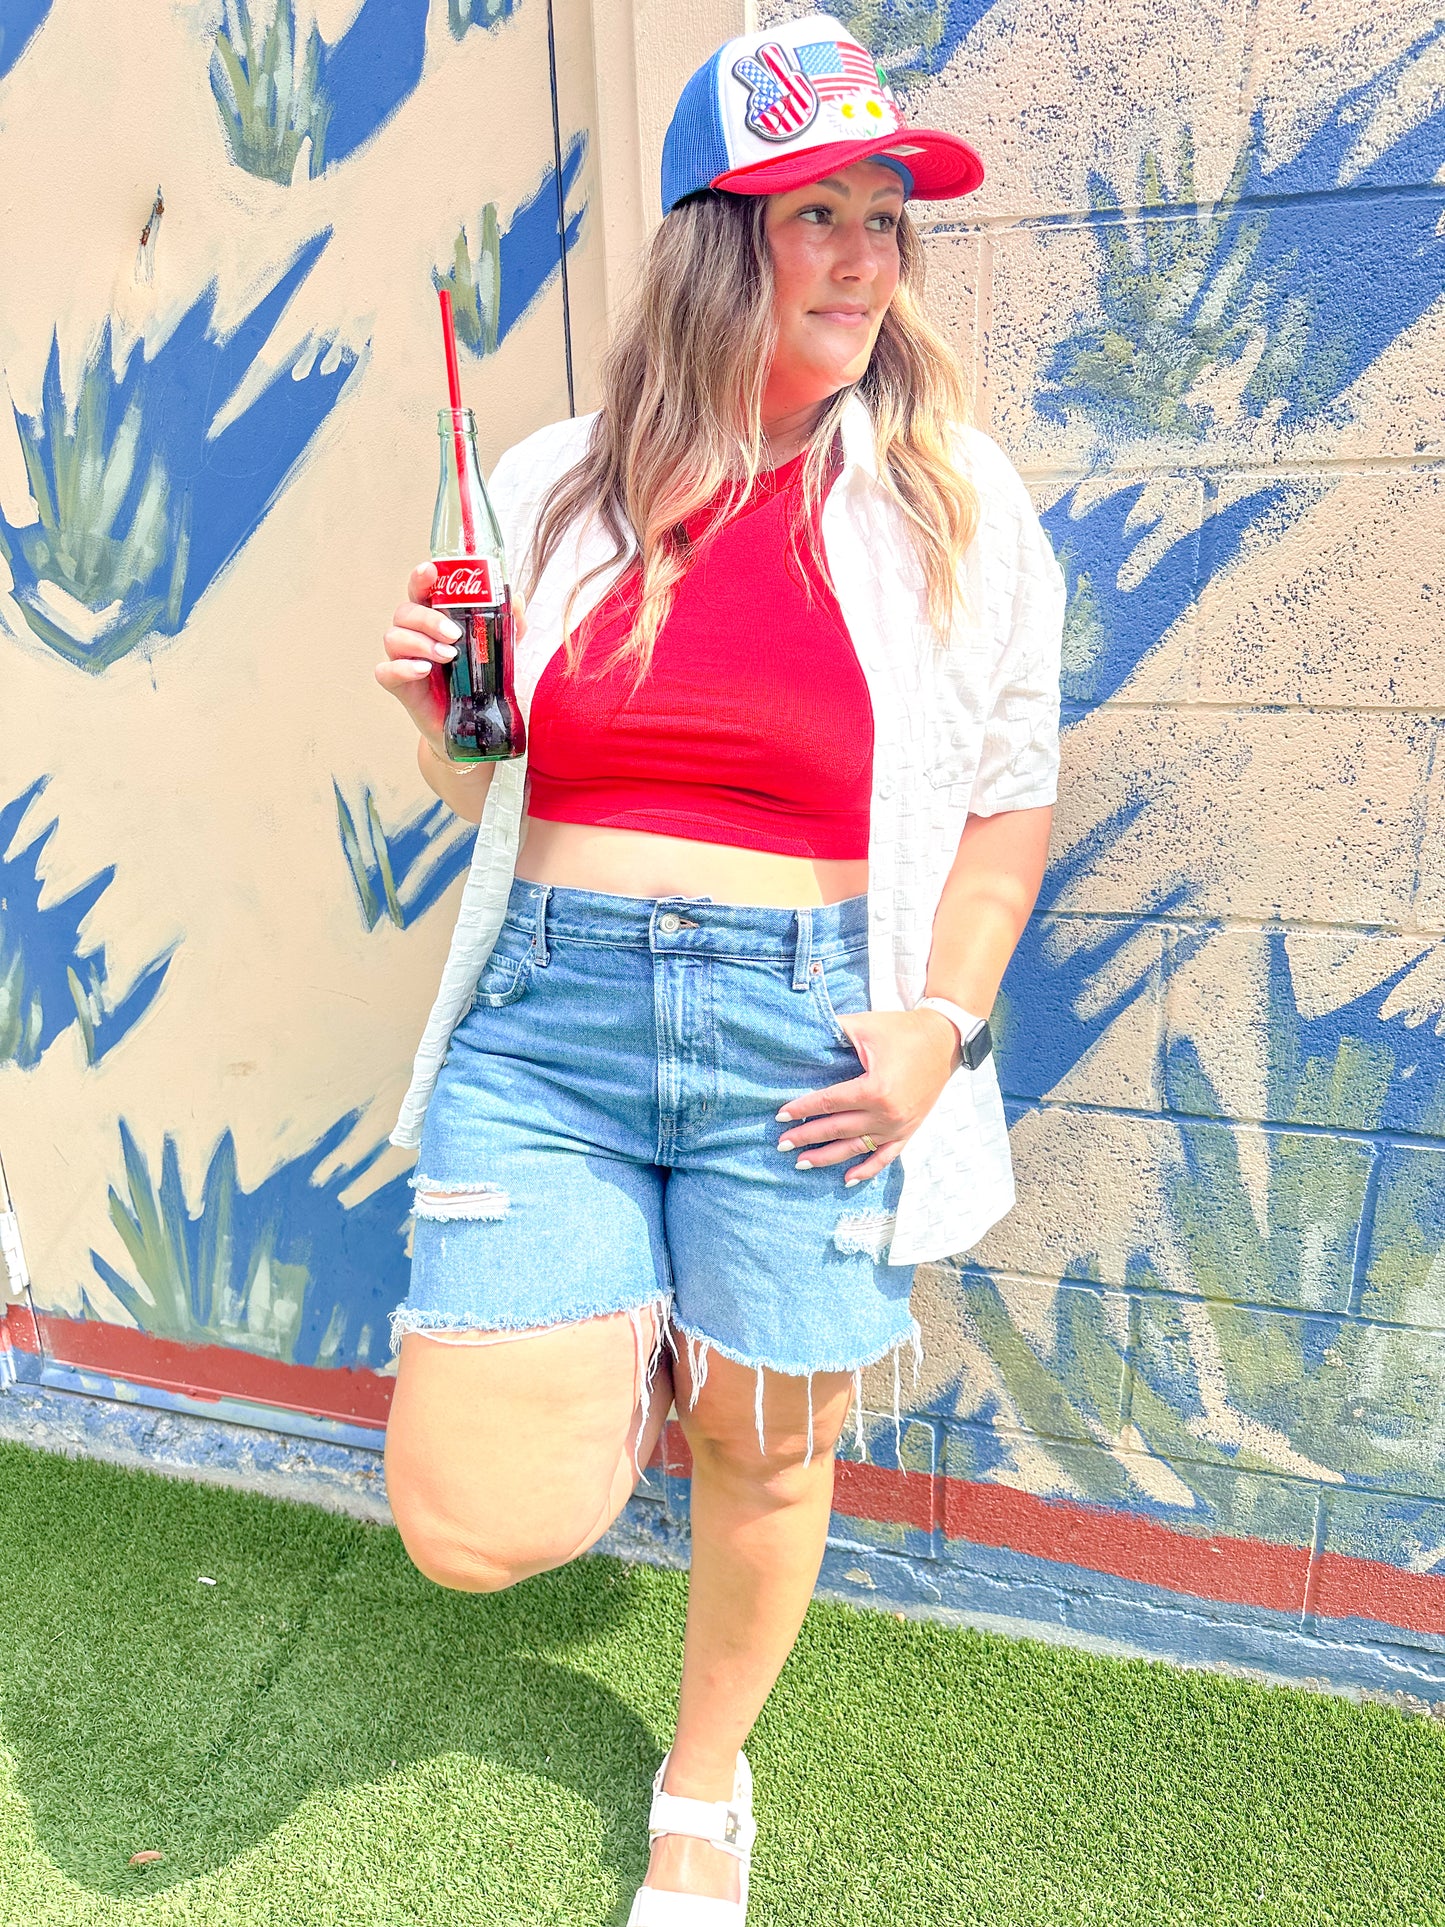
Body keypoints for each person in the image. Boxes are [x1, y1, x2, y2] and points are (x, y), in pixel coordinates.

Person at [375, 15, 1065, 1922]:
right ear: (707, 239)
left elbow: (1010, 804)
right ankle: (646, 1316)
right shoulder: (547, 486)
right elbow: (482, 776)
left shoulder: (950, 501)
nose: (862, 253)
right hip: (554, 1031)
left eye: (882, 218)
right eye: (811, 213)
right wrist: (447, 717)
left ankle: (703, 1783)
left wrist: (941, 1029)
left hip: (808, 1045)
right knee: (471, 1525)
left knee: (764, 1464)